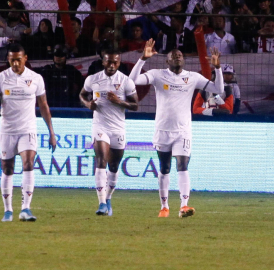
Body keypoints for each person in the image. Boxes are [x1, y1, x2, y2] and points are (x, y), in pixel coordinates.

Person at [129, 39, 225, 218]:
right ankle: (164, 207)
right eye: (173, 56)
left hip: (183, 131)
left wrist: (217, 68)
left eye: (180, 56)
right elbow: (133, 80)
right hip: (162, 130)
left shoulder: (193, 77)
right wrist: (143, 58)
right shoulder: (157, 74)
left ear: (184, 60)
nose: (177, 58)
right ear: (167, 61)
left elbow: (218, 89)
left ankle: (184, 205)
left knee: (183, 165)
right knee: (164, 168)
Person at [0, 44, 56, 222]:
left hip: (28, 129)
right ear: (8, 60)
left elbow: (43, 105)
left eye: (18, 59)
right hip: (8, 130)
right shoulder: (0, 78)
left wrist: (51, 132)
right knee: (7, 169)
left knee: (28, 163)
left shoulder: (36, 78)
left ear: (25, 59)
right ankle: (8, 210)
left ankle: (25, 208)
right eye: (12, 60)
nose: (15, 63)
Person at [80, 48, 139, 216]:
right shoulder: (93, 79)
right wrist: (87, 104)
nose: (112, 65)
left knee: (113, 166)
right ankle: (101, 203)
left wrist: (119, 101)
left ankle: (108, 198)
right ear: (103, 61)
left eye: (115, 62)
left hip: (118, 128)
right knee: (101, 161)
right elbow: (82, 95)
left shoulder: (126, 81)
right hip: (100, 126)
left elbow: (135, 106)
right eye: (109, 62)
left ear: (119, 63)